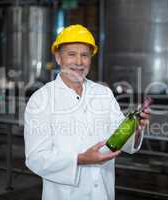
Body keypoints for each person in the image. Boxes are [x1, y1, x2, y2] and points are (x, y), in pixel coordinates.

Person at [24, 24, 150, 200]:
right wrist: (80, 159)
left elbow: (119, 138)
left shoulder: (103, 93)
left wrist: (135, 128)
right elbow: (36, 158)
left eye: (84, 55)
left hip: (103, 193)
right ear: (58, 57)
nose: (78, 62)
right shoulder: (41, 99)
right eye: (71, 54)